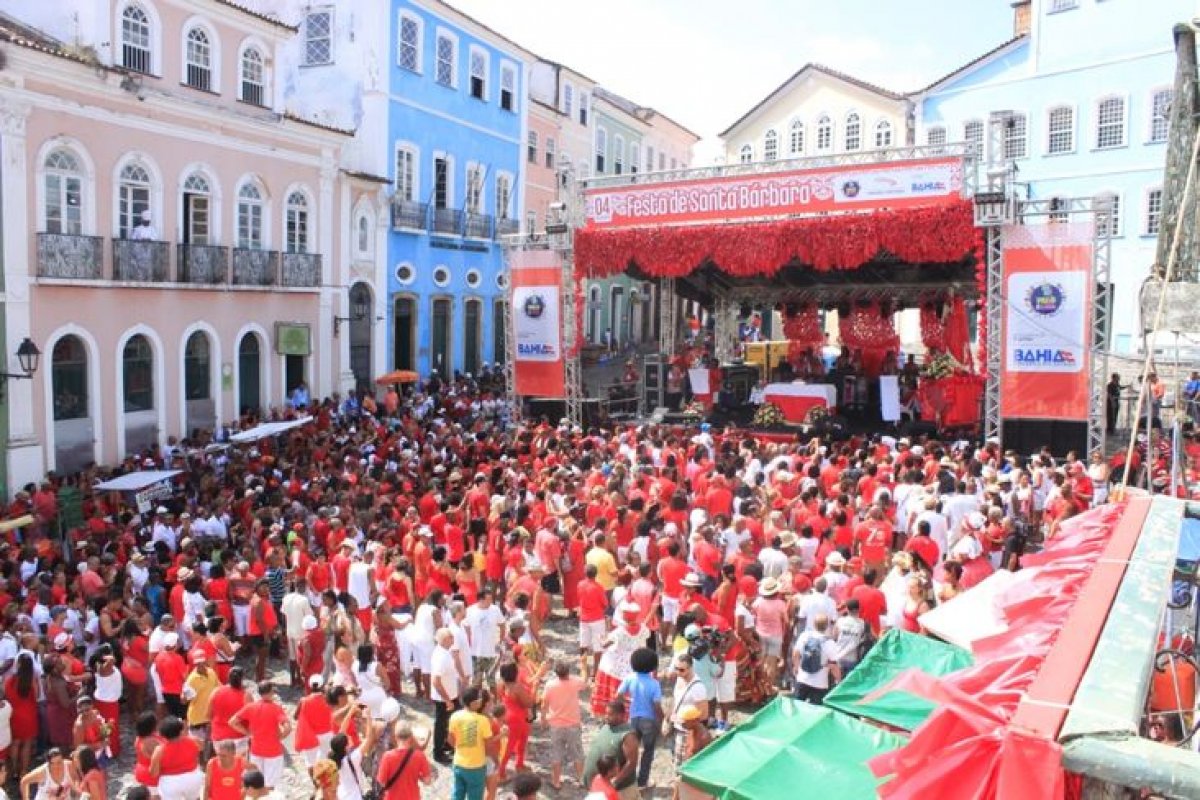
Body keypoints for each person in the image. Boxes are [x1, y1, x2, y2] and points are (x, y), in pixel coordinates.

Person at [228, 682, 291, 791]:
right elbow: (288, 727)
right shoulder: (276, 708)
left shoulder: (250, 707)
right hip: (273, 751)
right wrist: (280, 737)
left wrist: (247, 732)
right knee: (270, 784)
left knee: (257, 782)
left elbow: (232, 722)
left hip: (256, 750)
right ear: (271, 692)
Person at [614, 648, 661, 792]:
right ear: (653, 665)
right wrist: (661, 719)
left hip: (633, 719)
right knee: (648, 751)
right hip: (649, 720)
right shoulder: (654, 684)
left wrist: (628, 702)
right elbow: (656, 706)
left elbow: (618, 695)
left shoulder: (630, 678)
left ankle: (628, 779)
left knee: (630, 750)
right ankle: (642, 781)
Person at [540, 660, 587, 791]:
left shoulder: (550, 685)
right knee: (577, 753)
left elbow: (544, 704)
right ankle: (581, 778)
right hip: (573, 724)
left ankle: (556, 782)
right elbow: (585, 680)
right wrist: (583, 666)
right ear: (568, 672)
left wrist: (543, 718)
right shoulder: (575, 682)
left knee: (556, 754)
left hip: (555, 725)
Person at [448, 687, 495, 800]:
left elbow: (450, 739)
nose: (481, 701)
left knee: (457, 793)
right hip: (476, 767)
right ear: (474, 703)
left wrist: (461, 748)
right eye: (479, 699)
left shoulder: (455, 716)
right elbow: (488, 746)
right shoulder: (483, 721)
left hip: (458, 763)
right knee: (475, 795)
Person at [374, 721, 434, 800]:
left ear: (395, 737)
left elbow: (382, 783)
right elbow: (428, 781)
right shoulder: (420, 756)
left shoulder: (387, 756)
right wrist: (418, 776)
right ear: (411, 737)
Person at [791, 613, 841, 704]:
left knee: (796, 708)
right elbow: (834, 665)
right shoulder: (830, 643)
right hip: (820, 683)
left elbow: (795, 654)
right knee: (815, 712)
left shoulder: (805, 636)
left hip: (802, 679)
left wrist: (796, 668)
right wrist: (838, 679)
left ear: (814, 624)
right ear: (827, 626)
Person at [149, 716, 203, 800]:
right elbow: (201, 747)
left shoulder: (160, 750)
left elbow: (153, 773)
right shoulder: (193, 740)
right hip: (193, 777)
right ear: (180, 730)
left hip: (170, 782)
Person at [431, 628, 462, 765]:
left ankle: (447, 745)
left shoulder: (443, 652)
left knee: (450, 722)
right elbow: (436, 681)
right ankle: (438, 752)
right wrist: (447, 700)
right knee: (441, 724)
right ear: (444, 639)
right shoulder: (441, 656)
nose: (453, 640)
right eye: (451, 637)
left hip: (449, 695)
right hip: (444, 698)